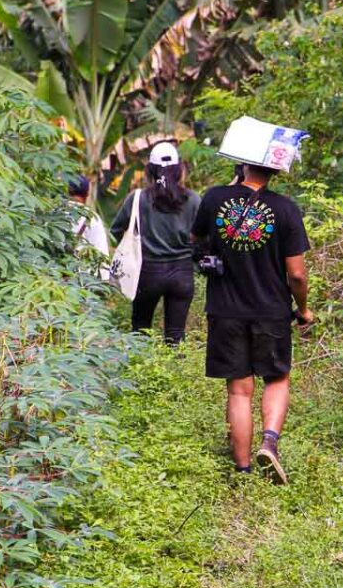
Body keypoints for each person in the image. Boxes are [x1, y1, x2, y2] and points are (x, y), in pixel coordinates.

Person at [192, 161, 313, 484]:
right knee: (277, 379)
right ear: (275, 170)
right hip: (271, 310)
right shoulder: (286, 209)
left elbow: (196, 240)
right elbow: (297, 274)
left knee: (239, 391)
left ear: (243, 164)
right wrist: (303, 309)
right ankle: (269, 442)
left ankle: (243, 472)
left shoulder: (214, 198)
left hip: (225, 309)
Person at [110, 142, 200, 344]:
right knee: (176, 336)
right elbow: (203, 237)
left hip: (147, 273)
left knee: (140, 329)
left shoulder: (138, 199)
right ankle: (175, 372)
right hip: (182, 274)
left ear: (149, 170)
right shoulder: (193, 200)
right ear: (179, 170)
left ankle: (139, 370)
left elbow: (115, 231)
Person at [67, 175, 110, 273]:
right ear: (87, 194)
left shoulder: (55, 214)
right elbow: (102, 255)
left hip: (54, 280)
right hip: (84, 279)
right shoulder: (93, 219)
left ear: (68, 191)